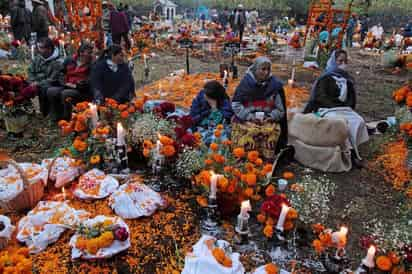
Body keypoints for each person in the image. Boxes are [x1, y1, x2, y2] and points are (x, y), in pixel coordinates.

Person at [303, 49, 368, 167]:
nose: (343, 64)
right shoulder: (325, 78)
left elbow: (351, 99)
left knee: (358, 121)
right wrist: (334, 106)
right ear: (334, 61)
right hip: (326, 108)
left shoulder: (347, 79)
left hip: (344, 109)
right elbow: (320, 96)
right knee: (341, 123)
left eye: (345, 61)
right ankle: (350, 153)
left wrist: (346, 106)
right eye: (340, 61)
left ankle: (354, 147)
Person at [231, 57, 288, 160]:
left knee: (271, 130)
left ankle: (265, 160)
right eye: (263, 69)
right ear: (255, 69)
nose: (266, 72)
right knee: (249, 130)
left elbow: (280, 110)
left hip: (267, 119)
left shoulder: (274, 86)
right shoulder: (245, 84)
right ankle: (244, 159)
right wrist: (249, 117)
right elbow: (236, 105)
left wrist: (271, 116)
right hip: (247, 118)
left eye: (268, 69)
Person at [46, 42, 94, 121]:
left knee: (66, 94)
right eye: (89, 53)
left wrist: (75, 85)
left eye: (91, 53)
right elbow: (61, 72)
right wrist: (63, 82)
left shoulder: (92, 65)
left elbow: (88, 82)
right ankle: (56, 115)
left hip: (81, 90)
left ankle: (67, 118)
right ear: (81, 53)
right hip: (66, 85)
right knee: (51, 91)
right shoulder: (70, 60)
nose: (91, 55)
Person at [27, 37, 63, 117]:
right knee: (21, 84)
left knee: (44, 88)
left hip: (51, 83)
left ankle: (45, 112)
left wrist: (37, 83)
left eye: (41, 48)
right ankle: (24, 109)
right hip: (36, 82)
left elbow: (52, 79)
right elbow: (31, 71)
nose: (39, 50)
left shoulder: (57, 62)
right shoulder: (38, 58)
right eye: (39, 47)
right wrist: (32, 81)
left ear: (49, 49)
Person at [190, 80, 233, 145]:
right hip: (201, 126)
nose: (205, 96)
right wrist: (207, 112)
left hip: (217, 130)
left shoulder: (224, 101)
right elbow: (193, 117)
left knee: (221, 137)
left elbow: (224, 120)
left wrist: (214, 108)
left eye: (207, 97)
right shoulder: (201, 96)